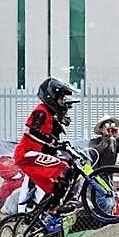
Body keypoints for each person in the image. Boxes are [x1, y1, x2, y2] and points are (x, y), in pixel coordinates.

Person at [13, 77, 78, 218]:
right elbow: (31, 131)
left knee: (59, 180)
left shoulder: (50, 115)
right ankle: (53, 208)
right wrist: (50, 141)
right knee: (64, 169)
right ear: (51, 97)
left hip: (35, 154)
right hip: (26, 154)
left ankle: (48, 210)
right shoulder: (41, 111)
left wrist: (58, 143)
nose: (63, 102)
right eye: (61, 98)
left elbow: (47, 135)